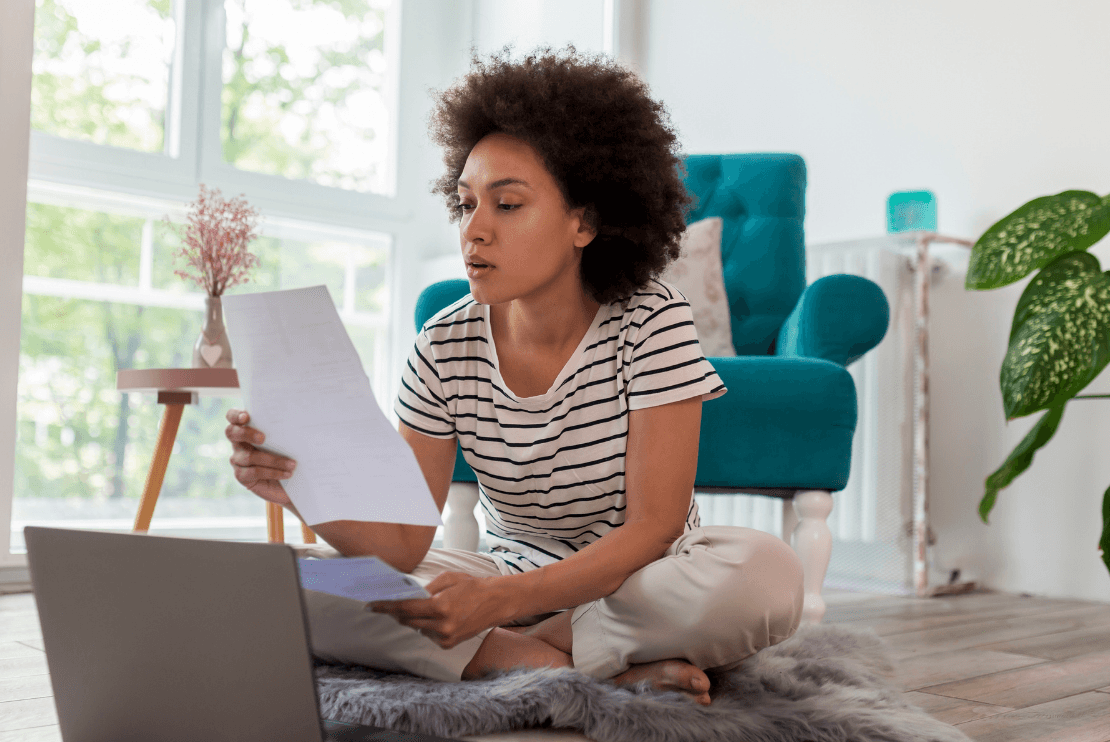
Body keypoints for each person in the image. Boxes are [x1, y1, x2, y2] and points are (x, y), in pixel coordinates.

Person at [224, 47, 803, 706]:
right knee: (297, 583)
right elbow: (405, 541)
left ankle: (523, 650)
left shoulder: (652, 320)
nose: (474, 231)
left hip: (638, 582)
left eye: (507, 204)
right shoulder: (442, 344)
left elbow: (655, 527)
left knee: (767, 574)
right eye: (467, 203)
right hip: (498, 574)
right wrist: (300, 489)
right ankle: (573, 668)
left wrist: (496, 603)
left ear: (583, 221)